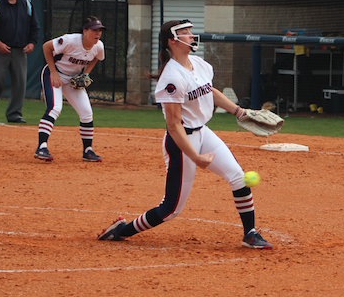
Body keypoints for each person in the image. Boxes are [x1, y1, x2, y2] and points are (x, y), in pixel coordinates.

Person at [97, 19, 273, 249]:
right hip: (182, 143)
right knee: (171, 209)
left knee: (238, 177)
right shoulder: (171, 77)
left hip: (203, 132)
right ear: (172, 40)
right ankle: (121, 230)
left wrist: (239, 111)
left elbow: (210, 92)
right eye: (185, 32)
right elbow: (174, 125)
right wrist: (196, 156)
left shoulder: (198, 64)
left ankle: (249, 234)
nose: (191, 35)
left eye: (190, 31)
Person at [34, 16, 106, 162]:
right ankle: (41, 147)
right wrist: (53, 72)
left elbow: (96, 57)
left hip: (72, 79)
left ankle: (88, 151)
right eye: (94, 30)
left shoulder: (99, 46)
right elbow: (46, 47)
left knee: (86, 112)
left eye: (99, 30)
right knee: (55, 107)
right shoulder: (70, 40)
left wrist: (86, 73)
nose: (97, 33)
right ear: (85, 31)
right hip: (55, 74)